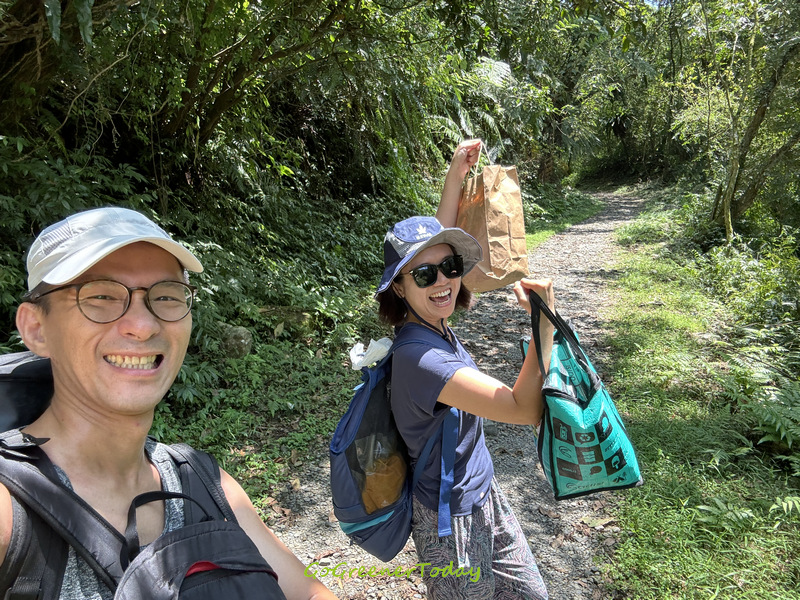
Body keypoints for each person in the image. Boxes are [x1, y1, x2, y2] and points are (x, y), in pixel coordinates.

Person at [0, 207, 338, 600]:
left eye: (165, 295)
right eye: (102, 296)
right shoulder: (9, 514)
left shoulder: (207, 485)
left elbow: (311, 592)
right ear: (36, 329)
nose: (144, 325)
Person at [376, 140, 553, 599]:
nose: (443, 282)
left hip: (484, 493)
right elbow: (522, 409)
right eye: (424, 275)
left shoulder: (431, 320)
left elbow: (437, 239)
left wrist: (456, 172)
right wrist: (543, 323)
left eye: (450, 267)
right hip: (449, 522)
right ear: (398, 287)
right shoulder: (421, 358)